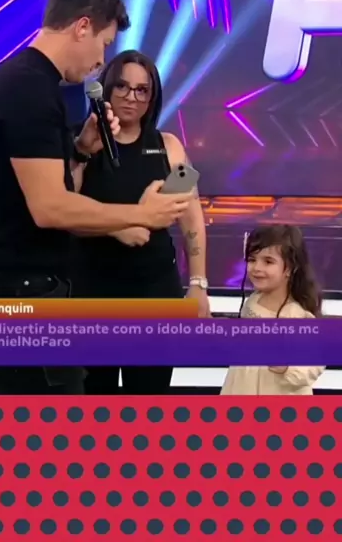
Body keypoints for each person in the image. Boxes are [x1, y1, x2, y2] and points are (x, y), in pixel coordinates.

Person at [0, 0, 193, 395]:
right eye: (104, 44)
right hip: (24, 293)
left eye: (142, 90)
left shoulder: (33, 84)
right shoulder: (29, 89)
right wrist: (140, 215)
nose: (99, 61)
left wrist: (82, 150)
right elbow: (50, 207)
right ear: (82, 26)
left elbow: (44, 190)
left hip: (42, 289)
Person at [70, 49, 210, 395]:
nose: (131, 97)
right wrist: (116, 226)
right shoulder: (82, 145)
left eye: (141, 90)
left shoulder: (169, 147)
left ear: (152, 97)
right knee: (93, 400)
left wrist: (198, 284)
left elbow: (191, 214)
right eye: (122, 86)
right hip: (93, 293)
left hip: (154, 292)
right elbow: (62, 210)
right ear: (106, 89)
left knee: (150, 399)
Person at [221, 224, 325, 395]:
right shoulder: (253, 300)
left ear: (290, 268)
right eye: (252, 260)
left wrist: (286, 367)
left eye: (268, 262)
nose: (257, 268)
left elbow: (314, 364)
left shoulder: (296, 316)